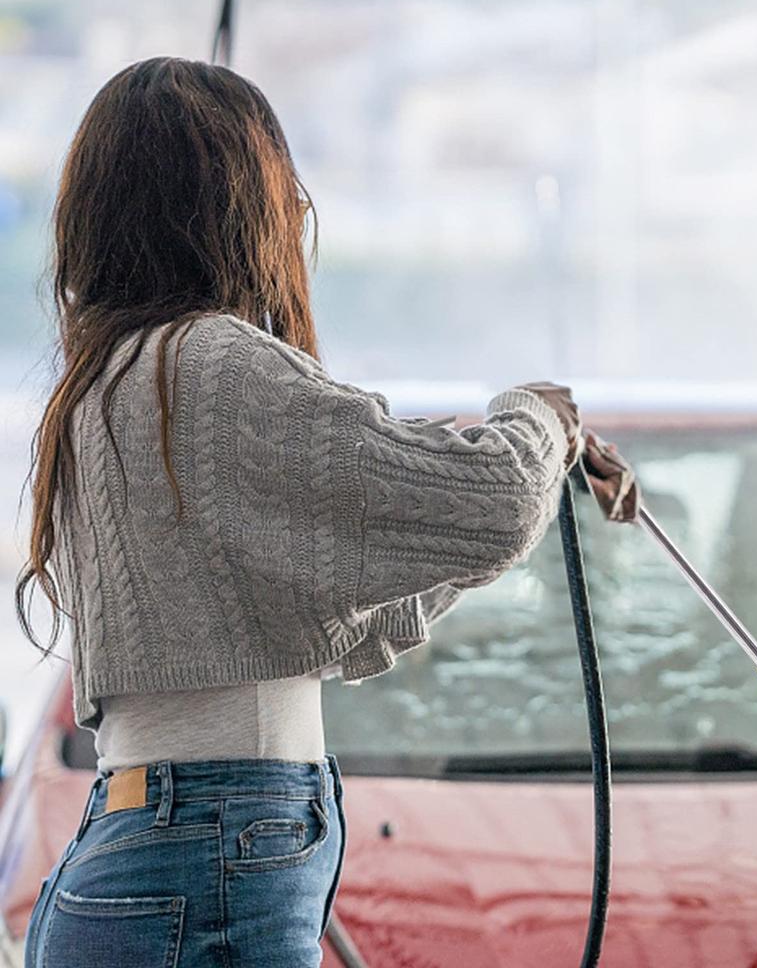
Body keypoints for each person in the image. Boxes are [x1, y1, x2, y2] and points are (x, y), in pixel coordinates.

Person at [14, 56, 635, 968]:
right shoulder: (216, 368)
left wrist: (515, 482)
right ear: (236, 201)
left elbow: (330, 605)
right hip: (217, 847)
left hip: (151, 846)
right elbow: (491, 501)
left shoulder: (103, 388)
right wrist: (536, 417)